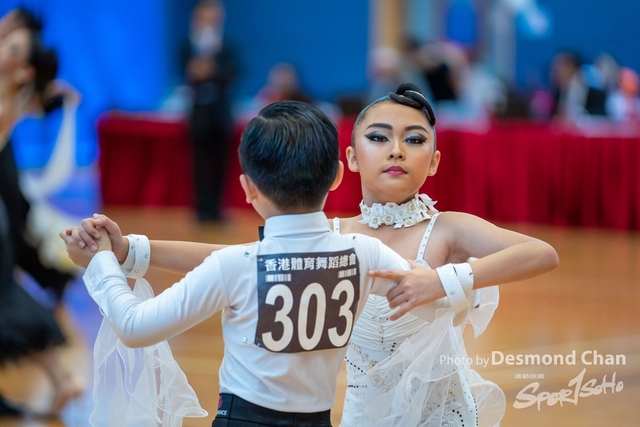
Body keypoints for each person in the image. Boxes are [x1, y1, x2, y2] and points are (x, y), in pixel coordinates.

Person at [68, 85, 559, 426]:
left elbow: (541, 253)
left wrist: (443, 281)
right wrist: (134, 250)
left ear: (433, 162)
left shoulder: (445, 227)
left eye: (414, 140)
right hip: (361, 416)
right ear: (348, 160)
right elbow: (238, 259)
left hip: (436, 415)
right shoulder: (344, 237)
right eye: (379, 137)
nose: (396, 150)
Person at [0, 10, 82, 416]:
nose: (2, 44)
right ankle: (63, 378)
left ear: (23, 70)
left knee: (7, 301)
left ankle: (63, 378)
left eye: (11, 46)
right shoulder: (11, 98)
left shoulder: (6, 103)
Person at [184, 0, 238, 222]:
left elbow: (233, 72)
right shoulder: (189, 44)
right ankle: (201, 209)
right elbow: (186, 71)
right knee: (199, 163)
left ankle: (217, 209)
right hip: (199, 114)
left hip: (220, 113)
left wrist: (211, 68)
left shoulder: (226, 45)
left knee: (220, 164)